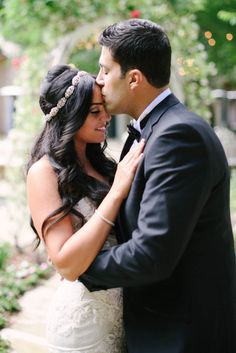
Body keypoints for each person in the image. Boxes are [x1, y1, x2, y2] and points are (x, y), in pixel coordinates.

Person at [70, 19, 236, 353]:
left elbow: (152, 254)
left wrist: (80, 267)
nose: (98, 81)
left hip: (181, 335)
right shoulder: (155, 130)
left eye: (104, 70)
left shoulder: (178, 136)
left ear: (133, 78)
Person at [26, 64, 144, 353]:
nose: (106, 117)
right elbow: (67, 264)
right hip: (84, 325)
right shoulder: (44, 173)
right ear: (70, 115)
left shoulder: (103, 164)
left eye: (104, 108)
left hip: (125, 316)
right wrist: (116, 193)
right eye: (94, 112)